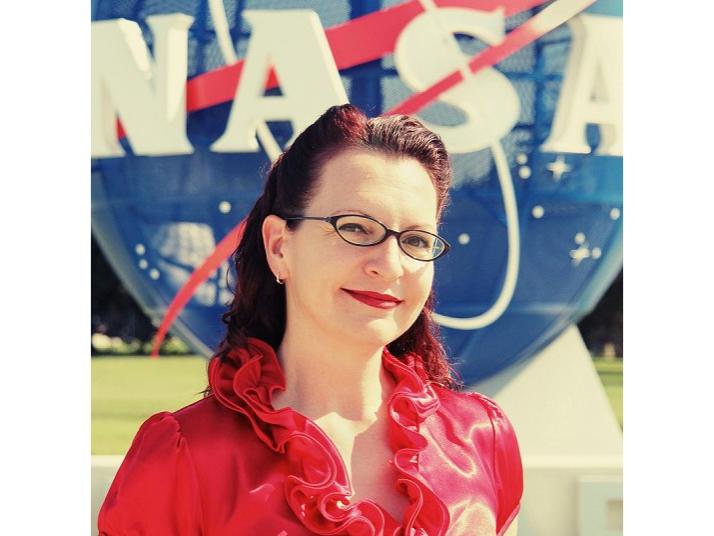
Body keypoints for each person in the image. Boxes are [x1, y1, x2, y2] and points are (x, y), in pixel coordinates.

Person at [98, 104, 523, 535]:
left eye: (415, 239)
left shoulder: (480, 438)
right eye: (356, 228)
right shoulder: (184, 456)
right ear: (280, 246)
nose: (390, 265)